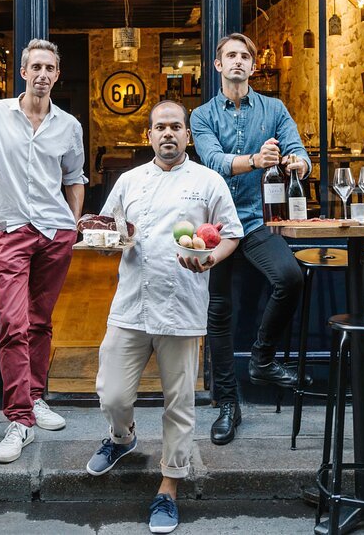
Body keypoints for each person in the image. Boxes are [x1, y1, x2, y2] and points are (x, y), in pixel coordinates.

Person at [84, 100, 243, 534]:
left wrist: (210, 258)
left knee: (180, 403)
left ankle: (168, 487)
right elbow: (110, 229)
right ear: (148, 135)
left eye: (176, 126)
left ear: (187, 136)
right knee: (111, 393)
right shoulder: (129, 180)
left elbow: (230, 233)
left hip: (182, 305)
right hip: (131, 302)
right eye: (160, 127)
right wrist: (102, 240)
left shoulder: (208, 182)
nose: (168, 133)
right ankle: (122, 436)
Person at [0, 38, 87, 464]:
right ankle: (19, 419)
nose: (44, 74)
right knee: (13, 322)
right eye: (36, 67)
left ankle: (35, 396)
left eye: (51, 67)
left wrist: (73, 224)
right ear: (23, 73)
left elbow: (75, 177)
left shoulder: (68, 125)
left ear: (57, 75)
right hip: (9, 228)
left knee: (40, 321)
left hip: (55, 232)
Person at [189, 32, 311, 446]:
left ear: (253, 66)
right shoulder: (202, 115)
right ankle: (227, 404)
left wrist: (297, 163)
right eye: (230, 56)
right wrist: (256, 161)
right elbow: (212, 161)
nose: (238, 61)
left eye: (245, 56)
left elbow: (302, 154)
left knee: (290, 277)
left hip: (258, 222)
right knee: (219, 314)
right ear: (218, 65)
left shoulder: (274, 109)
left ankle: (262, 358)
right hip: (217, 227)